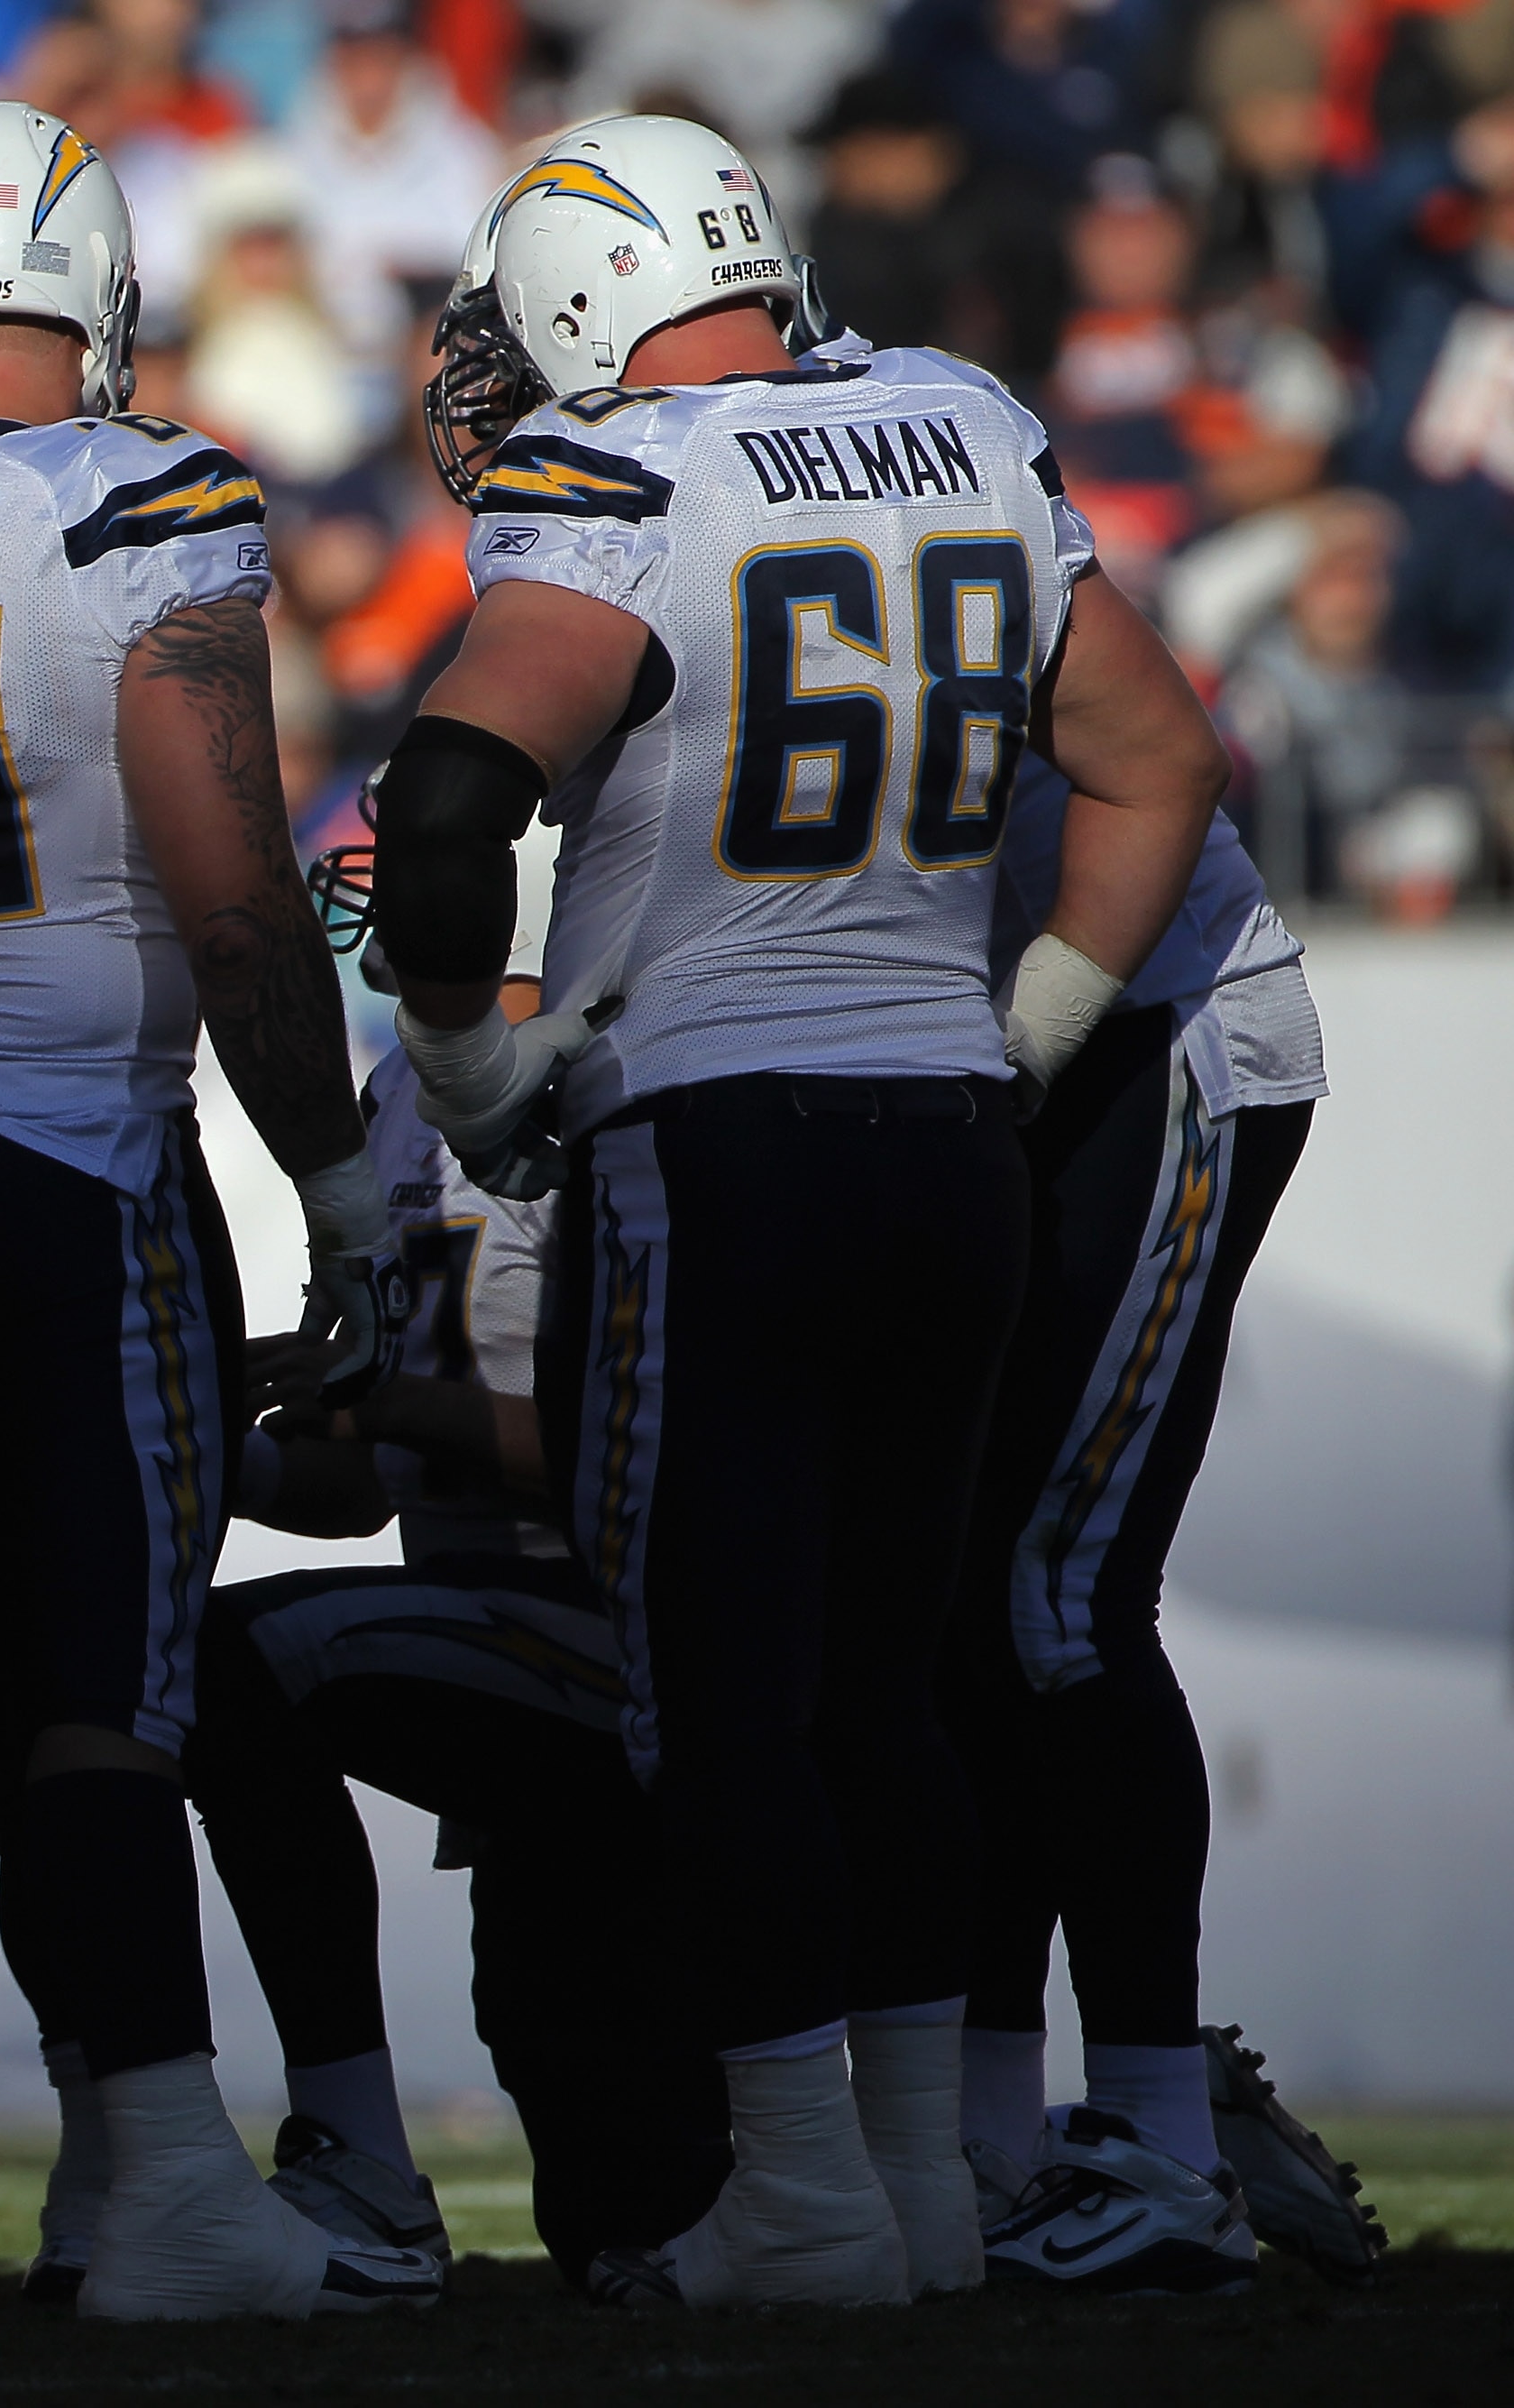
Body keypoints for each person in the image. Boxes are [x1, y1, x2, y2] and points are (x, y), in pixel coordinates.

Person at [389, 114, 1222, 2307]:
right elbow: (1157, 760)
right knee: (885, 1690)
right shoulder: (954, 422)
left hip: (716, 1152)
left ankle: (797, 2197)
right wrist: (1025, 1028)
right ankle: (912, 2186)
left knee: (721, 1695)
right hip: (942, 1145)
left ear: (580, 297)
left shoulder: (625, 481)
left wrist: (475, 1075)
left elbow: (456, 789)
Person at [0, 101, 421, 2325]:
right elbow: (231, 901)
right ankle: (159, 2184)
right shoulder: (151, 499)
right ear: (101, 290)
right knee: (93, 1713)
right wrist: (331, 1176)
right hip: (59, 1177)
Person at [164, 831, 732, 2296]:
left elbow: (679, 1448)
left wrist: (402, 1402)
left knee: (234, 1664)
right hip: (493, 1632)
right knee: (600, 2172)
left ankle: (357, 2150)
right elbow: (360, 1494)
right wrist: (197, 1447)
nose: (381, 900)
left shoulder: (617, 1090)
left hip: (628, 1645)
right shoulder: (403, 1096)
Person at [947, 756, 1363, 2290]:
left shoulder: (977, 505)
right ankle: (984, 2139)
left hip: (1152, 1028)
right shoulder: (611, 523)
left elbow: (1171, 756)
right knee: (953, 1617)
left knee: (1055, 1596)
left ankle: (1163, 2140)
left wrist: (1020, 1048)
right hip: (991, 1045)